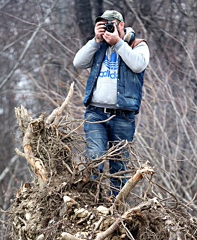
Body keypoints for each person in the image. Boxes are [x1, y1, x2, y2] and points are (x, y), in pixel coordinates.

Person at [73, 10, 150, 196]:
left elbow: (138, 65)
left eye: (111, 24)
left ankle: (115, 210)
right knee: (94, 158)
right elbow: (78, 62)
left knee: (120, 166)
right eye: (103, 24)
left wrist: (118, 43)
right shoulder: (98, 46)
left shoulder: (137, 45)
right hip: (95, 112)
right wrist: (95, 40)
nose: (107, 28)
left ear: (121, 25)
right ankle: (91, 203)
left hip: (122, 115)